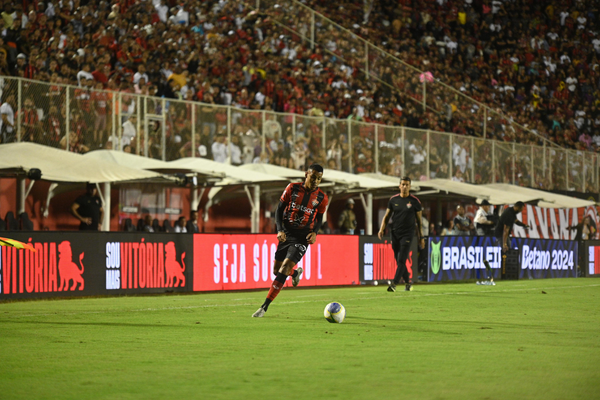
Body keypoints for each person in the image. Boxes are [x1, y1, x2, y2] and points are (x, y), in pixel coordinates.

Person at [252, 163, 329, 318]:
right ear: (306, 174)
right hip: (286, 234)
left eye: (319, 178)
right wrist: (279, 229)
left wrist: (314, 233)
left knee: (285, 267)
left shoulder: (322, 197)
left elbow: (319, 218)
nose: (315, 181)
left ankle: (264, 307)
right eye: (313, 177)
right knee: (277, 271)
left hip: (302, 237)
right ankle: (295, 274)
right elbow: (279, 210)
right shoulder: (292, 188)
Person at [378, 176, 424, 292]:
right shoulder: (393, 200)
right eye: (403, 184)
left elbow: (419, 221)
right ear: (399, 186)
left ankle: (394, 284)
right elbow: (387, 216)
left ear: (410, 186)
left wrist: (421, 237)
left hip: (408, 234)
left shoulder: (415, 201)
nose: (404, 187)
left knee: (402, 259)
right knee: (399, 260)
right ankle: (408, 283)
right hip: (395, 233)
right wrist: (381, 229)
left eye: (407, 185)